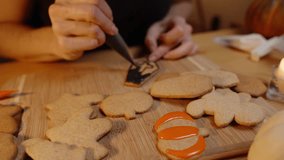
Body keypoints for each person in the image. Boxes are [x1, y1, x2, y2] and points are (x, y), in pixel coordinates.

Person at [0, 0, 197, 62]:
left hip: (157, 57)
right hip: (62, 73)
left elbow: (184, 1)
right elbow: (4, 30)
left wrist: (172, 20)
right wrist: (52, 42)